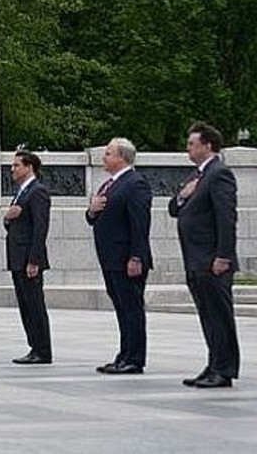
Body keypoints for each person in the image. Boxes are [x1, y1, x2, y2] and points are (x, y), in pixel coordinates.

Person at [167, 122, 239, 389]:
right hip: (195, 259)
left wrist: (223, 255)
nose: (188, 148)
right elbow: (174, 208)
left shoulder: (219, 174)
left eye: (192, 144)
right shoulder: (196, 176)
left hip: (212, 259)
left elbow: (226, 217)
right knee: (208, 316)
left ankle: (225, 369)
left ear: (208, 145)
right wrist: (183, 196)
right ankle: (213, 364)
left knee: (220, 316)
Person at [86, 137, 153, 374]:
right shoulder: (110, 184)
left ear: (122, 157)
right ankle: (124, 354)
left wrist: (136, 257)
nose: (104, 157)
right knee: (122, 307)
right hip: (110, 258)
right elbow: (94, 216)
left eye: (108, 153)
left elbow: (139, 224)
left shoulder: (135, 183)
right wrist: (91, 211)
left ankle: (134, 358)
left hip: (126, 258)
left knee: (131, 308)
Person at [5, 149, 52, 365]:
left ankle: (42, 350)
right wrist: (7, 217)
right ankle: (34, 346)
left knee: (34, 305)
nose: (12, 169)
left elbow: (40, 228)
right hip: (17, 257)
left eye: (16, 165)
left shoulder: (37, 191)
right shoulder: (21, 192)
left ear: (29, 167)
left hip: (28, 259)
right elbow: (14, 222)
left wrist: (34, 260)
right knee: (25, 305)